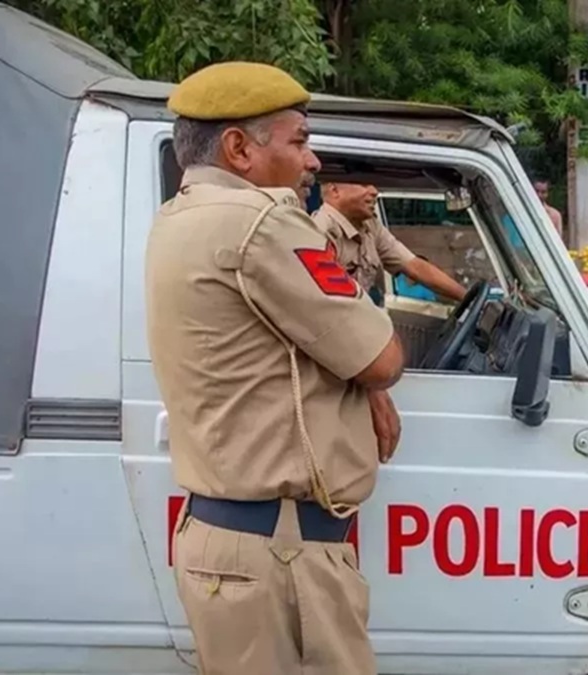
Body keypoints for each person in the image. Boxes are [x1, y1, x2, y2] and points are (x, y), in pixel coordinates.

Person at [144, 61, 406, 675]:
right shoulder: (261, 222)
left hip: (233, 542)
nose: (313, 161)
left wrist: (359, 381)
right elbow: (383, 357)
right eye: (300, 140)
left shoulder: (178, 216)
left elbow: (275, 349)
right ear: (239, 147)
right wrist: (368, 378)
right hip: (280, 555)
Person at [312, 182, 468, 305]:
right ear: (334, 191)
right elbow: (326, 306)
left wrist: (467, 298)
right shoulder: (320, 232)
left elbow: (415, 267)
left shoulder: (370, 226)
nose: (374, 191)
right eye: (364, 185)